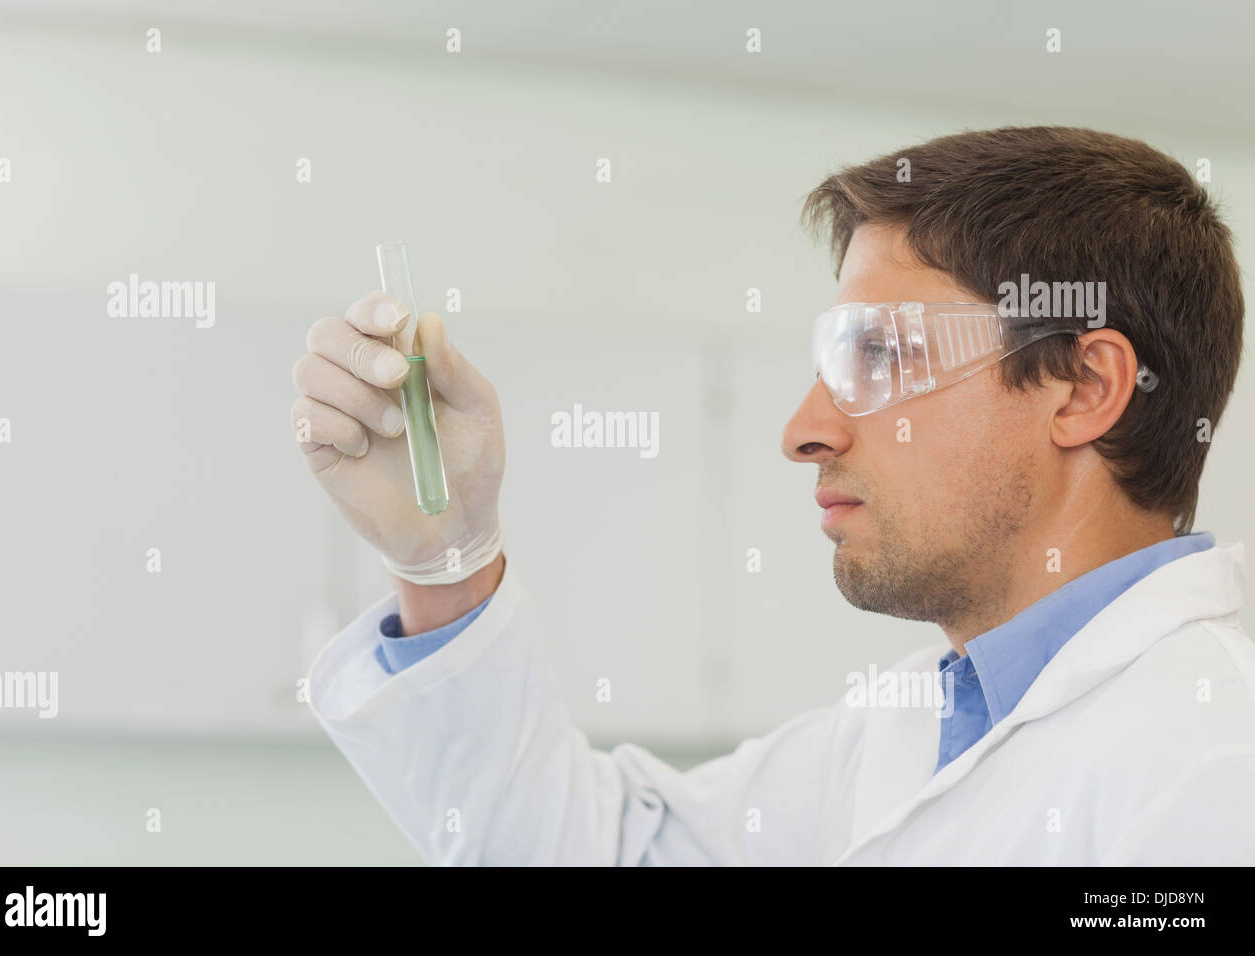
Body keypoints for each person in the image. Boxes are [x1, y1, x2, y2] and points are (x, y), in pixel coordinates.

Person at [290, 126, 1253, 865]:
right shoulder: (903, 731)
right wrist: (445, 560)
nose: (805, 429)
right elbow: (592, 850)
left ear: (1085, 389)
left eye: (881, 352)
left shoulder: (1212, 759)